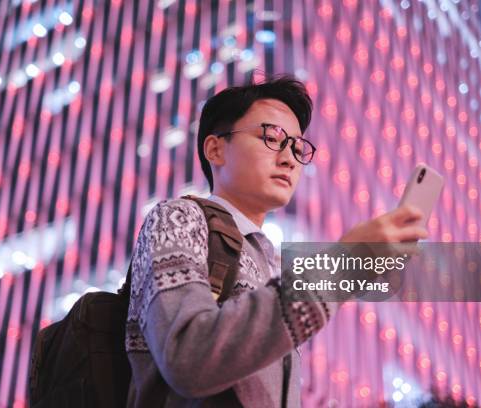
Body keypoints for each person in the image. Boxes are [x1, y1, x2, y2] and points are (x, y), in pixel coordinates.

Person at [124, 75, 428, 407]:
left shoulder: (272, 261)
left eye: (298, 148)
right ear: (215, 149)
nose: (289, 159)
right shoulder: (178, 218)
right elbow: (187, 358)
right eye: (271, 138)